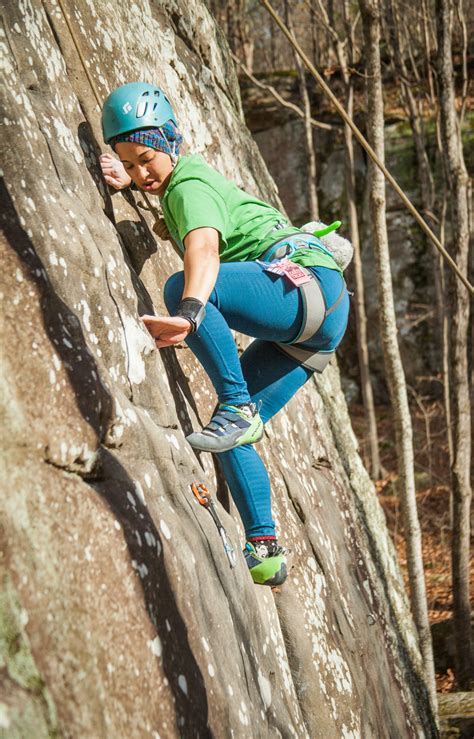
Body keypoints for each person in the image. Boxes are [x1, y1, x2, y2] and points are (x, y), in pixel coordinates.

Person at [100, 82, 350, 587]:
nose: (140, 173)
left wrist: (191, 310)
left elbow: (204, 250)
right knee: (229, 431)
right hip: (318, 320)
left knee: (181, 288)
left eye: (146, 158)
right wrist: (132, 184)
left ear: (171, 140)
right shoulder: (176, 185)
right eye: (129, 165)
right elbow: (172, 207)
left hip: (305, 288)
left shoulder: (189, 185)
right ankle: (265, 547)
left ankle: (237, 403)